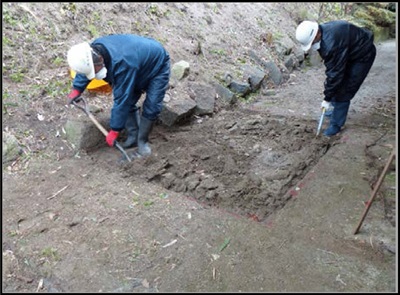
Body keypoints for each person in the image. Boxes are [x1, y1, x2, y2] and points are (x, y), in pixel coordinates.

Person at [66, 34, 170, 156]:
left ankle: (142, 142)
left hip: (157, 65)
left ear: (99, 60)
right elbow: (85, 70)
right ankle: (133, 137)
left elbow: (122, 99)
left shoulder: (122, 63)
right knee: (130, 101)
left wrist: (115, 130)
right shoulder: (92, 52)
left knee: (152, 105)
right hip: (137, 62)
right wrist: (77, 89)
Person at [295, 20, 376, 136]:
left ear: (317, 34)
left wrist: (327, 98)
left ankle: (336, 124)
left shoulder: (331, 43)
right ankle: (334, 108)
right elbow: (333, 71)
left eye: (312, 42)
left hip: (362, 55)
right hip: (348, 52)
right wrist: (329, 95)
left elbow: (335, 74)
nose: (312, 45)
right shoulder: (323, 33)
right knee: (336, 84)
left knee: (345, 90)